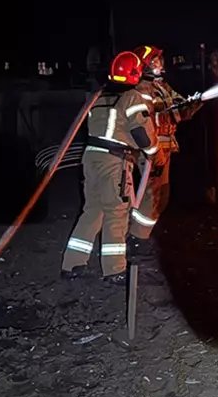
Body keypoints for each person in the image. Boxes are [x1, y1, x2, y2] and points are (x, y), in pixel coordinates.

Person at [61, 50, 158, 283]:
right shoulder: (132, 97)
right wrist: (153, 152)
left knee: (92, 210)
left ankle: (72, 265)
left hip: (90, 157)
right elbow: (142, 134)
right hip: (114, 161)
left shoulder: (99, 95)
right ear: (135, 74)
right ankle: (114, 270)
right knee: (117, 212)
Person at [128, 45, 201, 247]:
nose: (158, 63)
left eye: (159, 59)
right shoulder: (142, 89)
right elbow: (151, 119)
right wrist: (180, 111)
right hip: (150, 150)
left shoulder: (162, 85)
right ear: (142, 65)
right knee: (152, 194)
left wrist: (193, 103)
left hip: (165, 147)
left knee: (163, 195)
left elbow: (178, 105)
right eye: (153, 61)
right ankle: (137, 239)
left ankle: (142, 233)